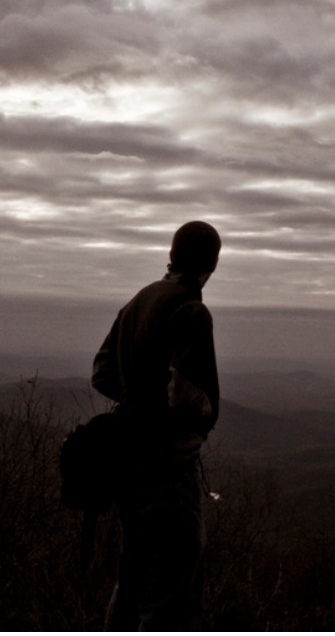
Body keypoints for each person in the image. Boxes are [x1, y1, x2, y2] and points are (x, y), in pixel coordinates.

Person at [92, 221, 222, 631]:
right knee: (174, 588)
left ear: (172, 253)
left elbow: (102, 374)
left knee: (132, 578)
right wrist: (206, 414)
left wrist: (137, 402)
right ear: (213, 263)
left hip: (131, 466)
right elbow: (185, 395)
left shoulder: (140, 300)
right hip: (169, 469)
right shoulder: (191, 310)